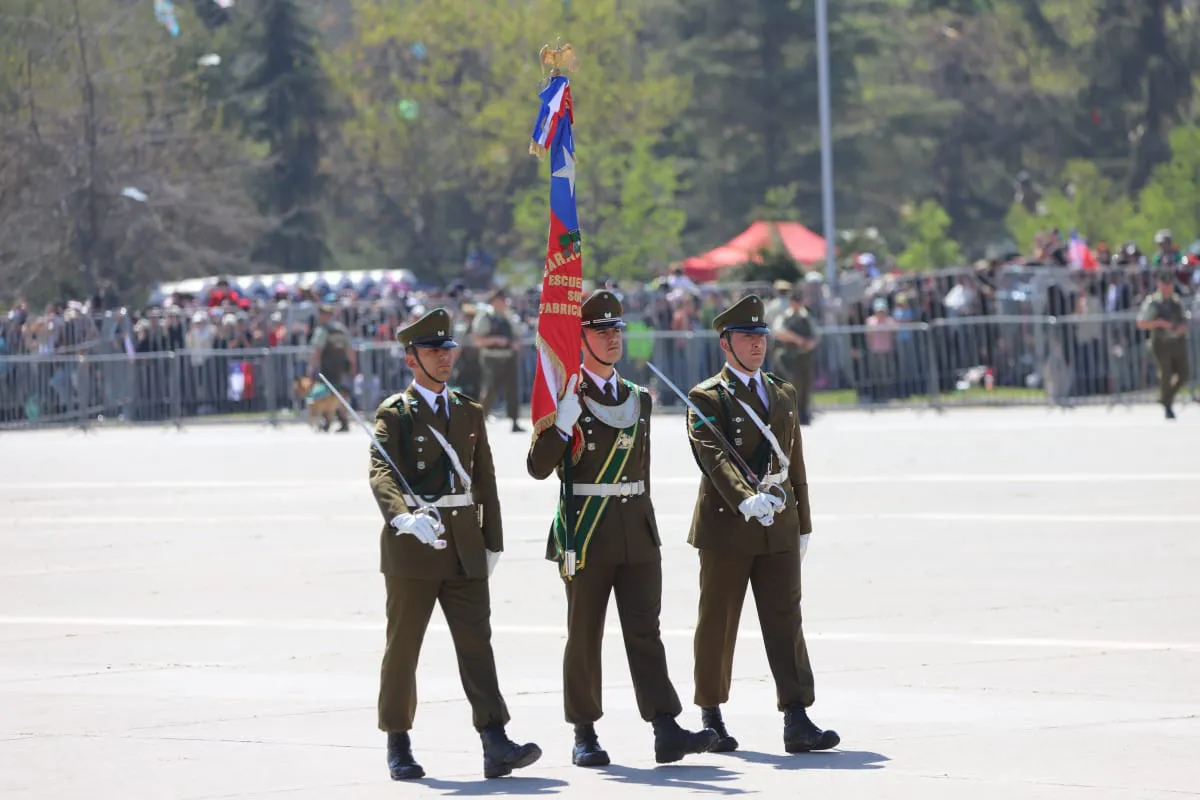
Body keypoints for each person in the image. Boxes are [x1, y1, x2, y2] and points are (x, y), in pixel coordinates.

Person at [526, 290, 718, 767]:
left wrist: (648, 528)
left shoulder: (638, 398)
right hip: (586, 533)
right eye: (601, 331)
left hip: (636, 529)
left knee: (645, 631)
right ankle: (584, 731)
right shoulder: (568, 397)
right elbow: (537, 466)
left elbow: (642, 472)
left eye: (617, 330)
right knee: (585, 634)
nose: (612, 339)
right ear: (581, 338)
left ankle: (665, 727)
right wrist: (560, 427)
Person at [369, 307, 541, 780]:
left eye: (446, 349)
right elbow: (381, 470)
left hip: (464, 544)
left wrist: (493, 540)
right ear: (411, 360)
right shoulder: (396, 413)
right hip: (414, 544)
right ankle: (398, 741)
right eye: (431, 351)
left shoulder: (468, 410)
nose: (443, 358)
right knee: (403, 648)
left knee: (477, 645)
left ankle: (495, 740)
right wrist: (402, 516)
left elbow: (484, 480)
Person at [685, 294, 840, 754]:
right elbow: (713, 458)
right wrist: (744, 500)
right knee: (719, 621)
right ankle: (711, 714)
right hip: (729, 525)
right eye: (747, 338)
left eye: (761, 337)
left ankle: (797, 715)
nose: (757, 345)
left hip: (779, 523)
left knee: (785, 619)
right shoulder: (705, 396)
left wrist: (804, 521)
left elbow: (795, 464)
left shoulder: (782, 391)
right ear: (725, 344)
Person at [1136, 270, 1191, 420]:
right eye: (1164, 283)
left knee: (1184, 375)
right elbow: (1141, 323)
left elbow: (1185, 320)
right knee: (1165, 374)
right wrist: (1159, 323)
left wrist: (1181, 327)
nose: (1167, 287)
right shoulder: (1153, 302)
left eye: (1169, 283)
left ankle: (1165, 398)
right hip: (1161, 342)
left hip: (1178, 341)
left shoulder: (1176, 301)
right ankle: (1168, 405)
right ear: (1159, 284)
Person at [473, 289, 525, 432]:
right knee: (490, 390)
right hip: (491, 357)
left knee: (513, 390)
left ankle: (514, 421)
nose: (501, 303)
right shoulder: (485, 317)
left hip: (508, 357)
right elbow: (478, 339)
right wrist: (495, 340)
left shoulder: (510, 317)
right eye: (498, 300)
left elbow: (518, 335)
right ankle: (480, 421)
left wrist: (515, 343)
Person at [772, 286, 820, 424]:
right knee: (791, 384)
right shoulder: (785, 316)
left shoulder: (806, 316)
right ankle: (790, 413)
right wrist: (796, 339)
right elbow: (778, 332)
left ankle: (804, 414)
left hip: (804, 356)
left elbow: (815, 335)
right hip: (787, 356)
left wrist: (810, 343)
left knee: (806, 384)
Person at [309, 303, 356, 432]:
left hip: (328, 368)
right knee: (341, 396)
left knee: (325, 395)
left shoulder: (323, 330)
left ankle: (327, 422)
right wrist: (353, 366)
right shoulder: (342, 329)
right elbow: (350, 350)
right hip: (343, 367)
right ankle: (344, 421)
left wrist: (311, 367)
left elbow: (317, 350)